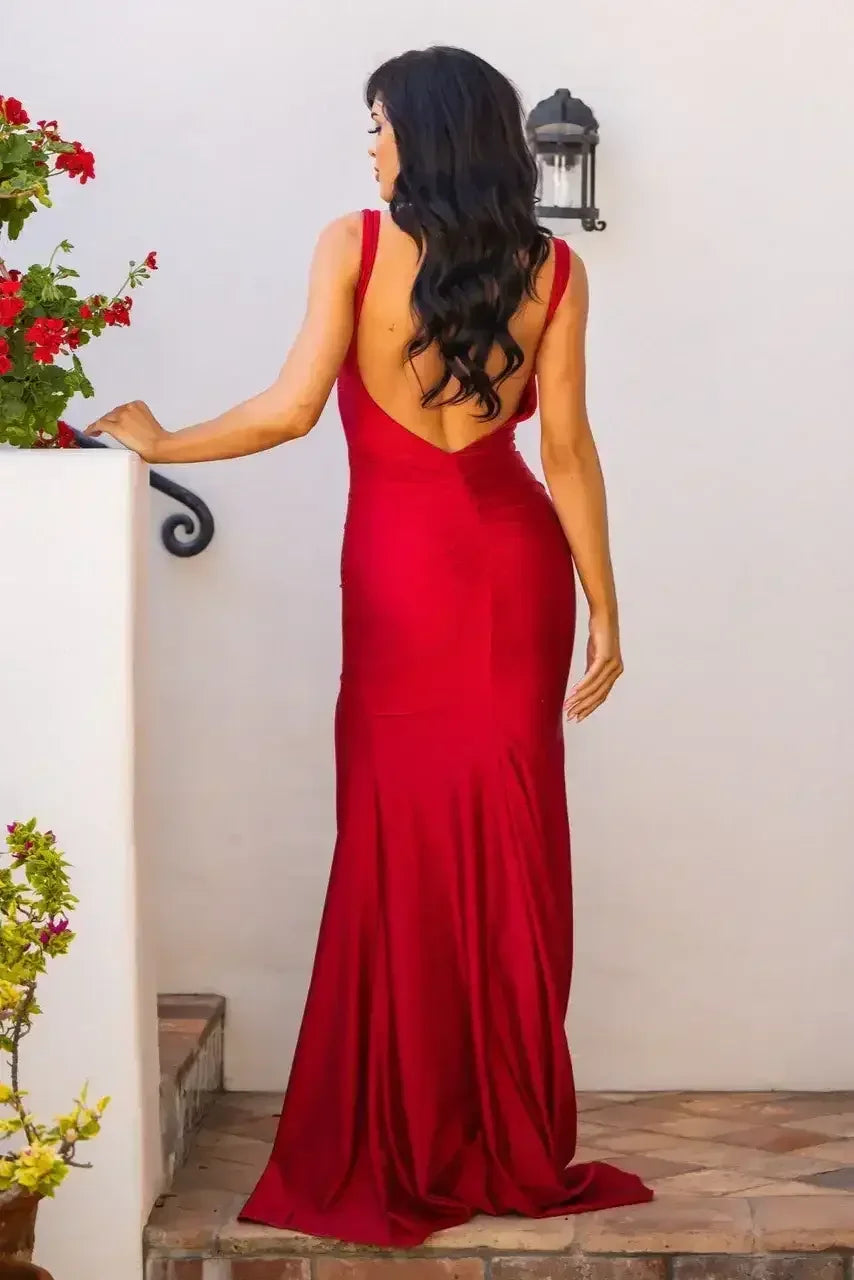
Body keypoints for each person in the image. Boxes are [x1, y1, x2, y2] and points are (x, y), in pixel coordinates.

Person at [88, 45, 653, 1248]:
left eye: (380, 125)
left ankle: (411, 1123)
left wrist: (160, 439)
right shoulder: (552, 267)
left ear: (424, 135)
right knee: (506, 837)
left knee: (395, 835)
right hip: (513, 574)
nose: (371, 146)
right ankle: (499, 1130)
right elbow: (563, 453)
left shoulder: (352, 244)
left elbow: (291, 409)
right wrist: (603, 602)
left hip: (399, 569)